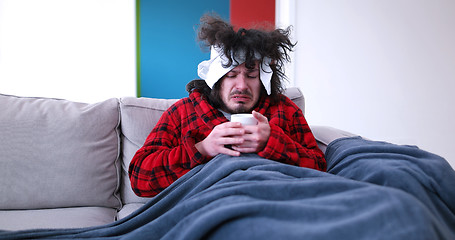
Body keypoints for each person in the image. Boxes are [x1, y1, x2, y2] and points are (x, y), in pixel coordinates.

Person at [129, 14, 326, 198]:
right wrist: (203, 148)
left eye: (251, 76)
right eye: (231, 75)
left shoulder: (284, 110)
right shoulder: (183, 112)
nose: (241, 85)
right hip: (210, 203)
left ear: (263, 79)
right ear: (216, 79)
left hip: (272, 199)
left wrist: (273, 141)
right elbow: (140, 178)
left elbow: (319, 167)